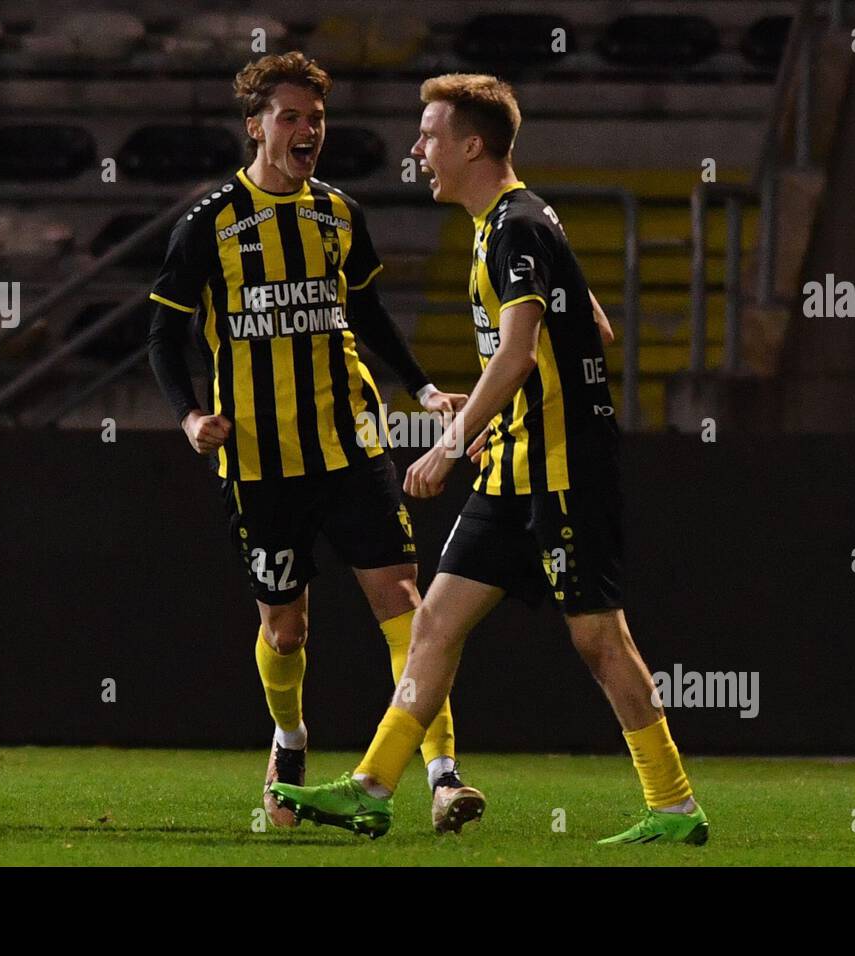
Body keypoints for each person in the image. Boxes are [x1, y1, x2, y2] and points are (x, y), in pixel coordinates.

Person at [272, 74, 709, 846]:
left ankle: (673, 806)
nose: (418, 150)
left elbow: (517, 351)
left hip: (562, 468)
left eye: (431, 135)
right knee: (434, 621)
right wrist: (503, 415)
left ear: (473, 144)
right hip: (513, 469)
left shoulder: (515, 227)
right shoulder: (515, 224)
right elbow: (594, 326)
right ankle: (373, 787)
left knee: (599, 638)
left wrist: (450, 438)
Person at [147, 53, 484, 833]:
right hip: (262, 462)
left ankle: (441, 774)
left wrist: (425, 389)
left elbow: (367, 315)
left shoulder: (338, 212)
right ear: (256, 126)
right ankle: (290, 739)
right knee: (284, 628)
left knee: (408, 609)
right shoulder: (209, 222)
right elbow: (164, 332)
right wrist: (190, 417)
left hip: (354, 446)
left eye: (317, 119)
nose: (308, 132)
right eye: (292, 117)